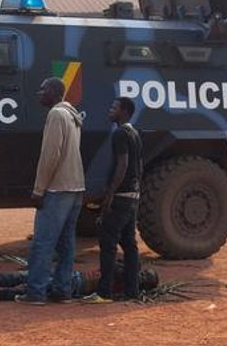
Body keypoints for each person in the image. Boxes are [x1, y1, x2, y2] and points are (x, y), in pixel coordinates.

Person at [15, 77, 85, 306]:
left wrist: (38, 189)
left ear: (54, 93)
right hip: (76, 187)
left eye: (43, 90)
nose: (39, 93)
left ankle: (36, 292)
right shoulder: (73, 115)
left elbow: (50, 156)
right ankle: (62, 290)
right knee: (66, 244)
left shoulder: (56, 114)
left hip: (57, 188)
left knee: (43, 243)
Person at [84, 96, 142, 304]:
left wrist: (109, 196)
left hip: (120, 197)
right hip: (133, 196)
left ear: (124, 111)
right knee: (129, 245)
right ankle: (132, 291)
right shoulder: (134, 133)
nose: (110, 110)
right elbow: (138, 165)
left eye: (114, 107)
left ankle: (104, 292)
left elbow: (123, 165)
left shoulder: (119, 134)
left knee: (108, 244)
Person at [0, 260, 159, 302]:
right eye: (145, 273)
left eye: (145, 277)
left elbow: (116, 267)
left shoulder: (125, 283)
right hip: (74, 276)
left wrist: (132, 266)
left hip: (75, 285)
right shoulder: (126, 276)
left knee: (31, 286)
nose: (142, 275)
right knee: (29, 275)